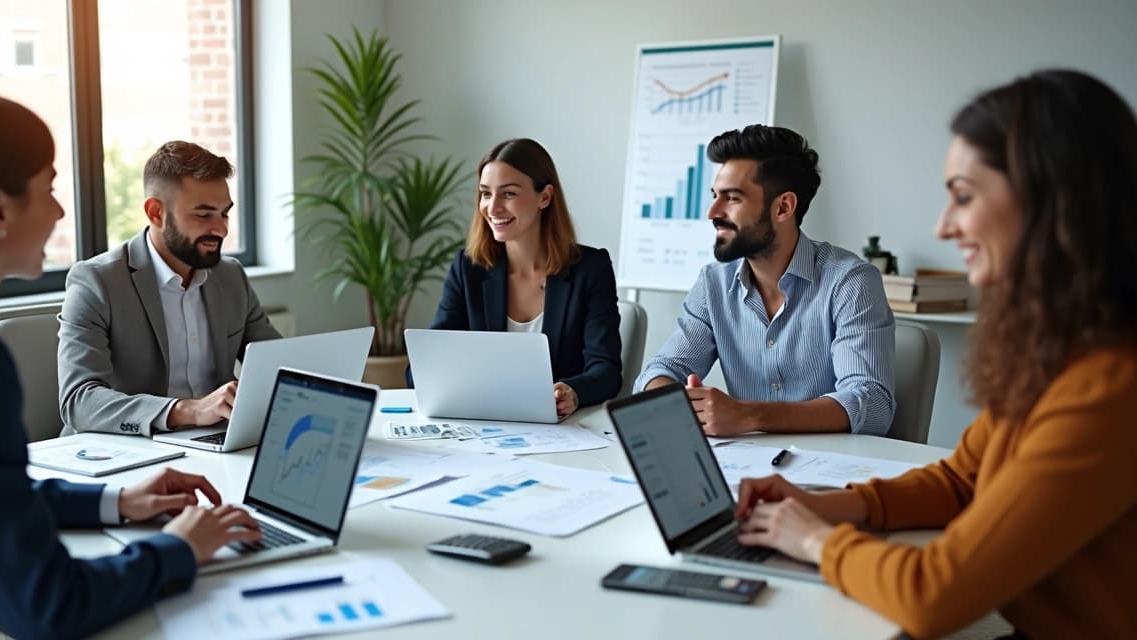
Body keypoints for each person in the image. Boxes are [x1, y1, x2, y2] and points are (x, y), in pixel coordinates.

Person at [734, 70, 1137, 638]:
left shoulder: (1110, 386)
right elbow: (960, 481)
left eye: (964, 198)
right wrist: (824, 505)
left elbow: (932, 593)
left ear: (1050, 203)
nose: (944, 227)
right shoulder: (1062, 349)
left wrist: (813, 540)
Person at [0, 87, 261, 639]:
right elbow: (48, 605)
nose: (59, 211)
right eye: (49, 190)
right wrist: (177, 548)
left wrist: (116, 500)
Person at [635, 125, 896, 436]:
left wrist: (748, 416)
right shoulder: (713, 284)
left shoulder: (850, 282)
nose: (712, 212)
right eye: (714, 196)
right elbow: (662, 370)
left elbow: (871, 404)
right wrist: (670, 398)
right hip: (742, 465)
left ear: (783, 207)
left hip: (828, 472)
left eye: (732, 198)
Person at [58, 140, 281, 436]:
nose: (222, 229)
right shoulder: (97, 281)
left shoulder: (230, 276)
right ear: (155, 213)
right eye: (203, 215)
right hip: (127, 447)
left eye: (224, 213)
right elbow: (78, 401)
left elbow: (278, 365)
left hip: (216, 441)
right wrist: (188, 410)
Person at [410, 138, 622, 418]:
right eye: (486, 194)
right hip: (483, 424)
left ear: (544, 197)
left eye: (508, 194)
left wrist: (573, 391)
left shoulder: (591, 269)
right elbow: (423, 369)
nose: (493, 208)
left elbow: (606, 371)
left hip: (563, 431)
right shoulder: (468, 267)